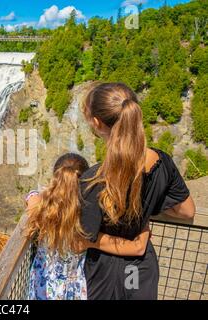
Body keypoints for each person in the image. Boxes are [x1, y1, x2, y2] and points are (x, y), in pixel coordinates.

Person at [80, 82, 196, 300]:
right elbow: (187, 211)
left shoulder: (92, 179)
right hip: (139, 271)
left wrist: (131, 245)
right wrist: (146, 209)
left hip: (104, 276)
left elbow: (81, 240)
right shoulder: (162, 163)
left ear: (97, 123)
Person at [25, 153, 151, 300]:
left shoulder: (41, 212)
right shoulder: (87, 227)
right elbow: (138, 248)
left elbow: (32, 196)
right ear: (86, 184)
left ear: (55, 178)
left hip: (41, 289)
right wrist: (144, 223)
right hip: (72, 293)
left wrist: (34, 196)